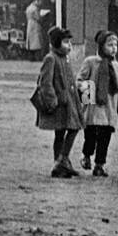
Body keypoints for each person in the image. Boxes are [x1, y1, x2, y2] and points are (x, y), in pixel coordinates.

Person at [35, 25, 84, 178]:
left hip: (69, 102)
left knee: (72, 128)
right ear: (56, 43)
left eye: (70, 42)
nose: (69, 46)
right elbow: (45, 82)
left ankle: (62, 160)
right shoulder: (51, 59)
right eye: (65, 42)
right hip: (60, 104)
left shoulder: (65, 59)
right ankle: (60, 162)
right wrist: (52, 100)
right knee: (62, 132)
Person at [77, 30, 118, 177]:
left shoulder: (117, 67)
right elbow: (80, 80)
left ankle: (100, 165)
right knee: (90, 137)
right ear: (101, 46)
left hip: (109, 108)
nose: (113, 48)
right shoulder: (91, 62)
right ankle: (86, 155)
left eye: (115, 45)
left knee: (105, 138)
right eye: (110, 45)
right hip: (93, 108)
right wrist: (87, 96)